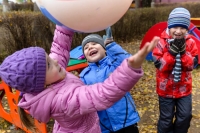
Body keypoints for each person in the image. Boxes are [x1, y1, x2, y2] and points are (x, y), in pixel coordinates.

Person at [0, 25, 159, 133]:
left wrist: (65, 21)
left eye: (48, 58)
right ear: (41, 83)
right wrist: (129, 69)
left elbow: (59, 48)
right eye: (48, 64)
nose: (55, 61)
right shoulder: (63, 101)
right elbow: (102, 94)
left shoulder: (51, 76)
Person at [80, 27, 140, 133]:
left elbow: (130, 63)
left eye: (94, 43)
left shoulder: (114, 64)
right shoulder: (84, 76)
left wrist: (111, 46)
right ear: (85, 56)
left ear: (104, 49)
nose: (90, 47)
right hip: (104, 126)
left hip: (125, 121)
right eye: (86, 47)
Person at [152, 7, 198, 133]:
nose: (178, 31)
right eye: (175, 27)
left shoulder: (191, 43)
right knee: (166, 120)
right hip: (165, 89)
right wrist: (171, 53)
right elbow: (160, 66)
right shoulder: (160, 42)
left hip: (184, 89)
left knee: (185, 116)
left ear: (187, 28)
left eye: (183, 28)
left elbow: (192, 65)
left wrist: (183, 53)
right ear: (169, 26)